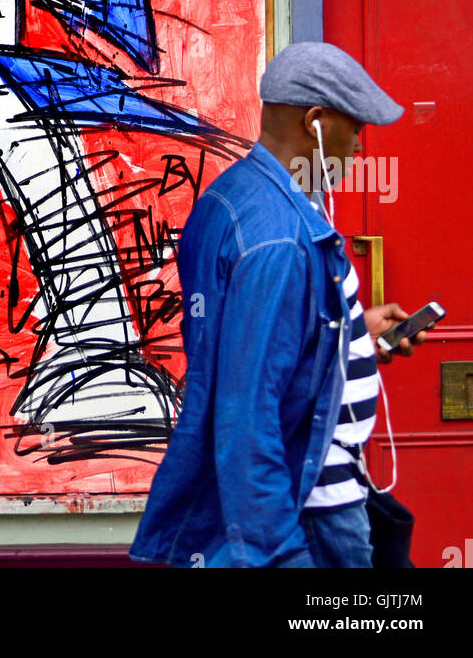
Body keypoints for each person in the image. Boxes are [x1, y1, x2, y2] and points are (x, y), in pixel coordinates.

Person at [130, 41, 426, 569]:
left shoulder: (230, 200)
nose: (359, 146)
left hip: (305, 504)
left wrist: (353, 333)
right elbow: (248, 415)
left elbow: (253, 351)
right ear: (315, 122)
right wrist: (282, 555)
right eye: (354, 127)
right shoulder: (281, 240)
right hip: (312, 516)